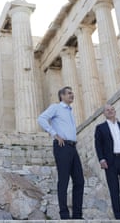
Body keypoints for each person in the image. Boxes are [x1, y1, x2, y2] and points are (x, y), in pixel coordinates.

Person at [38, 86, 84, 219]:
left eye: (72, 93)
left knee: (79, 180)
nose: (72, 95)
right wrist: (54, 134)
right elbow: (41, 118)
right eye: (69, 93)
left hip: (72, 147)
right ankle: (64, 214)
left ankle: (77, 215)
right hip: (62, 146)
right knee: (63, 180)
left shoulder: (70, 111)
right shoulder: (56, 107)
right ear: (62, 96)